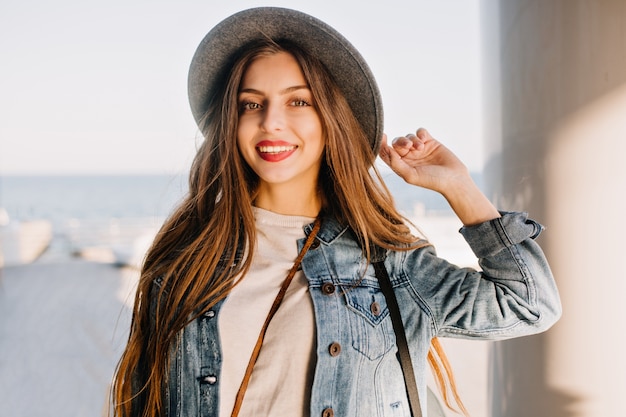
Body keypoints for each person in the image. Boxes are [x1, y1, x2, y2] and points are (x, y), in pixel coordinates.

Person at [111, 7, 561, 417]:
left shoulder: (386, 263)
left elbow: (529, 304)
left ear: (331, 117)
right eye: (251, 104)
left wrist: (458, 188)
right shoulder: (185, 263)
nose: (270, 121)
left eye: (298, 101)